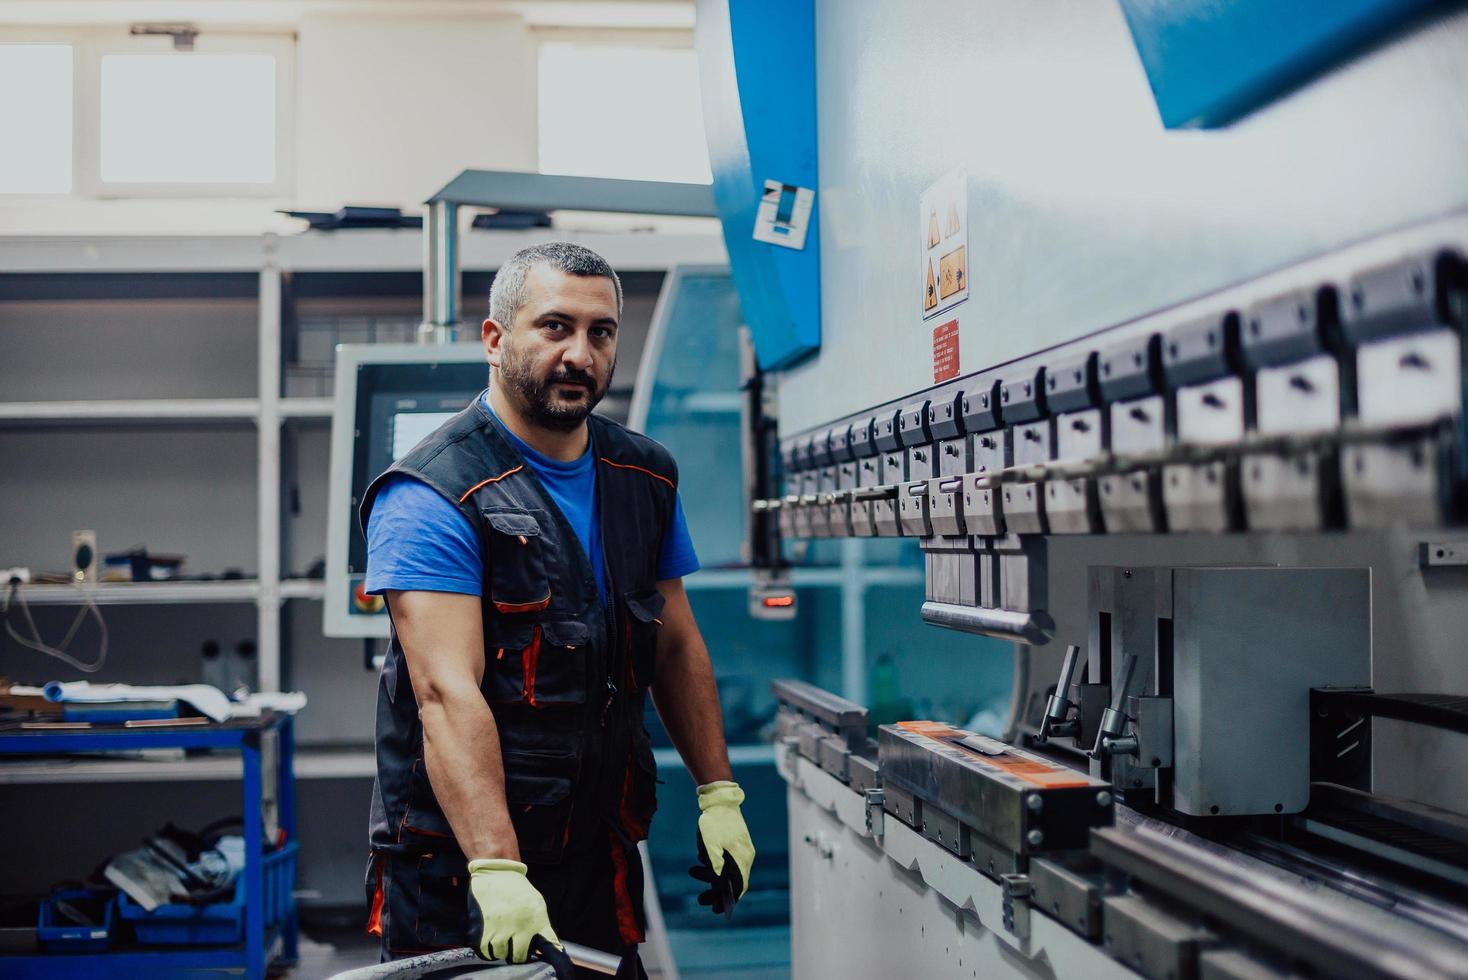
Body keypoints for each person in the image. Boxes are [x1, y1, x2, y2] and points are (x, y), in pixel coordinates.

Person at [359, 242, 755, 976]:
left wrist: (718, 790)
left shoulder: (644, 475)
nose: (579, 353)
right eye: (554, 328)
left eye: (600, 332)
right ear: (496, 338)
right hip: (463, 870)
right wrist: (499, 870)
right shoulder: (432, 493)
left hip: (594, 850)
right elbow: (446, 695)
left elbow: (673, 644)